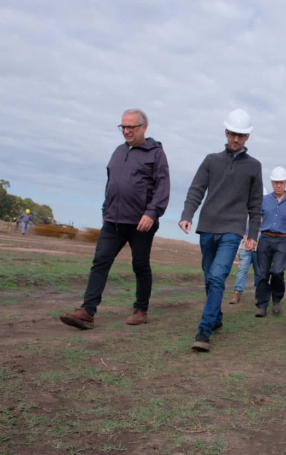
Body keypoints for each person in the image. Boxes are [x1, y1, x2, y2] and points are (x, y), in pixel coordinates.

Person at [60, 109, 170, 330]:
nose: (127, 131)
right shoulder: (118, 151)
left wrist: (152, 212)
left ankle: (140, 310)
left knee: (140, 265)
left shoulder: (156, 153)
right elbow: (111, 183)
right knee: (100, 262)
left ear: (144, 128)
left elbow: (162, 186)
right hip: (113, 221)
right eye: (123, 127)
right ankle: (87, 312)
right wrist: (105, 209)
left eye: (131, 127)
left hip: (141, 222)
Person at [179, 109, 263, 352]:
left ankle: (204, 332)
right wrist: (187, 216)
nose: (235, 139)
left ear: (247, 137)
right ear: (226, 132)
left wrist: (253, 235)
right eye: (232, 134)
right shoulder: (211, 160)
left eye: (241, 135)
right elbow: (196, 189)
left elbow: (255, 206)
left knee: (217, 277)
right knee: (209, 277)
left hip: (232, 230)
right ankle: (216, 318)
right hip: (207, 228)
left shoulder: (254, 167)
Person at [255, 167, 286, 317]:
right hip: (265, 238)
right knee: (263, 273)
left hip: (282, 240)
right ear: (272, 183)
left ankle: (277, 300)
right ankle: (262, 305)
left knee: (278, 271)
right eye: (276, 182)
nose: (279, 185)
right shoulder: (264, 200)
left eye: (281, 182)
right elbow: (255, 218)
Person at [230, 229, 260, 304]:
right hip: (245, 247)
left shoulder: (265, 217)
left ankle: (259, 294)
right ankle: (237, 293)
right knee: (242, 270)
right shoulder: (247, 217)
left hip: (260, 247)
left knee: (259, 272)